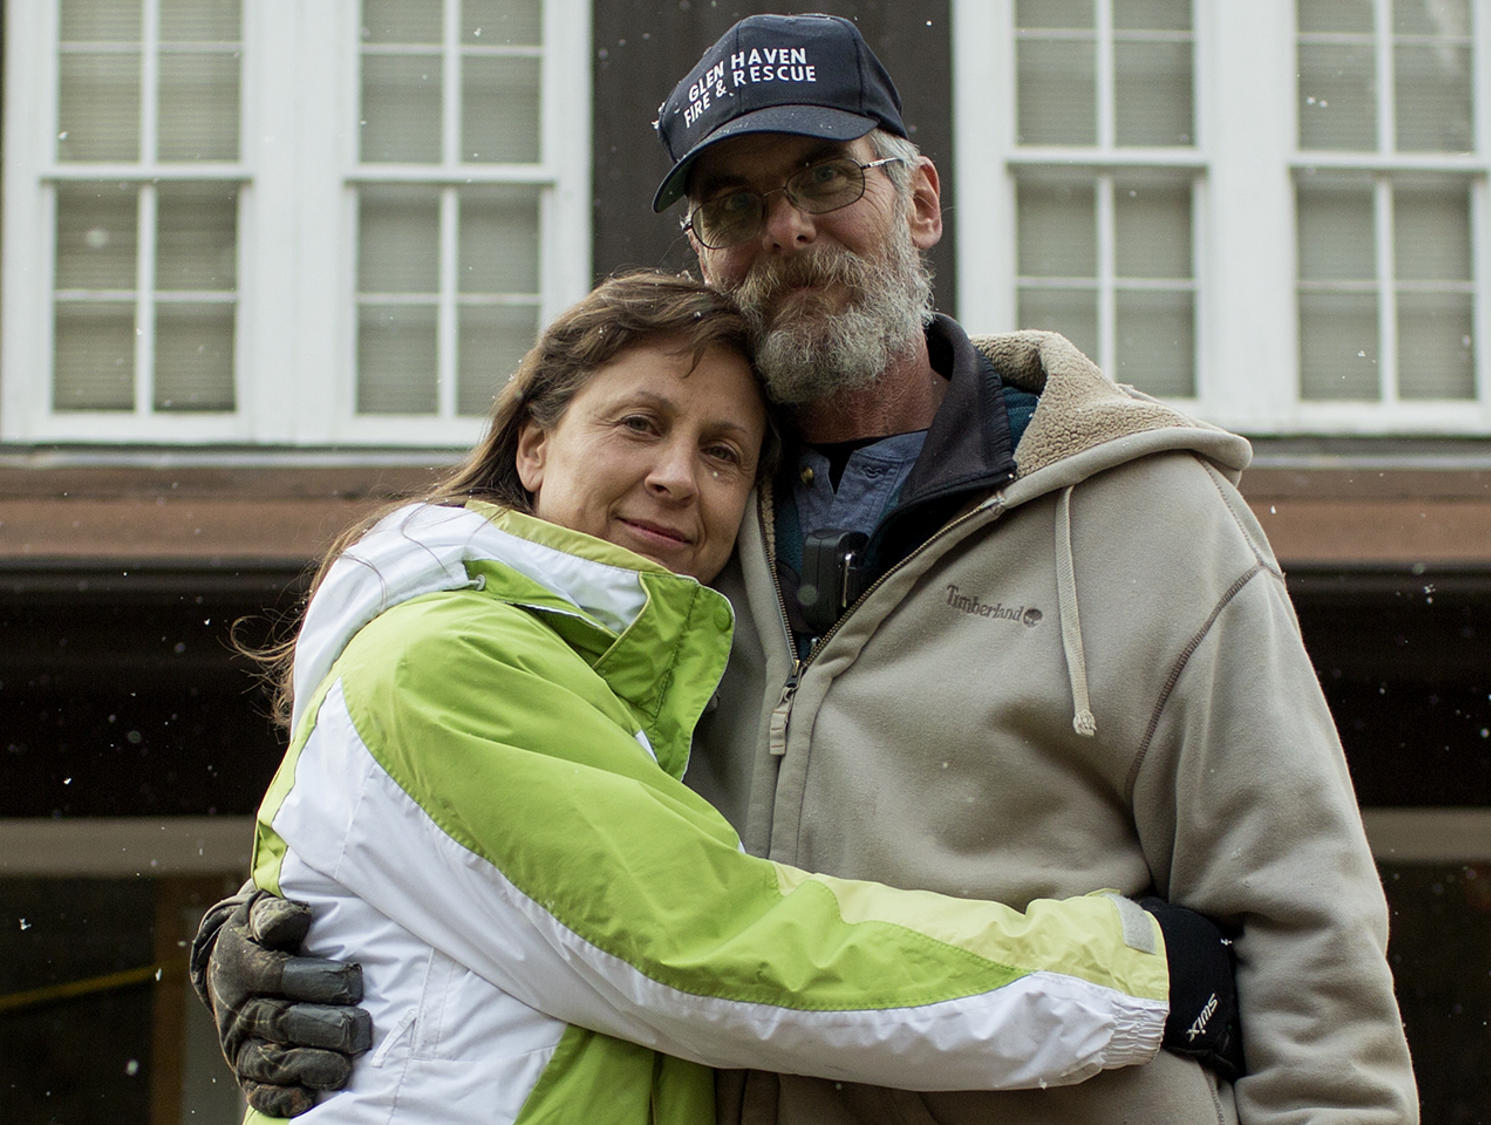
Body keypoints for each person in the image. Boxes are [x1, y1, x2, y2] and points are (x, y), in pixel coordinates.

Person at [197, 11, 1418, 1123]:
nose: (786, 227)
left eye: (829, 176)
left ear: (921, 199)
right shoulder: (653, 555)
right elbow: (507, 839)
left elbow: (1305, 931)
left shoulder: (1152, 518)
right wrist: (279, 933)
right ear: (702, 250)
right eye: (732, 204)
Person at [200, 269, 1228, 1123]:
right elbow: (705, 951)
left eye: (722, 453)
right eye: (638, 425)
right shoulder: (451, 658)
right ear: (533, 446)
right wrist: (1125, 972)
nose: (677, 477)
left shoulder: (612, 680)